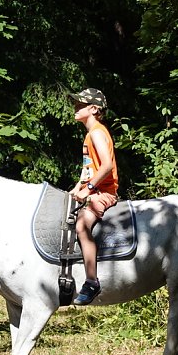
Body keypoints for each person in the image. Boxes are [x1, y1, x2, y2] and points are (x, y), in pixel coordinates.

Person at [67, 87, 119, 305]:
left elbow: (106, 166)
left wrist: (88, 190)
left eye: (81, 105)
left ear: (94, 109)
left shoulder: (97, 132)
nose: (75, 108)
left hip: (104, 192)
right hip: (93, 188)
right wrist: (76, 188)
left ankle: (91, 282)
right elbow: (88, 169)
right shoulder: (90, 134)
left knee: (81, 225)